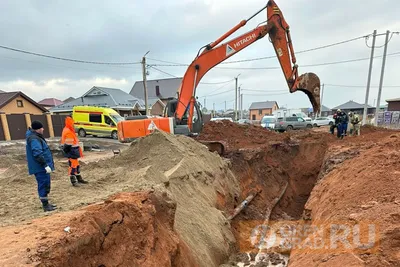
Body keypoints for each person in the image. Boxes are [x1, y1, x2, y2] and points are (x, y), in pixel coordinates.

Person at [25, 120, 57, 212]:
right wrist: (45, 165)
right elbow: (37, 153)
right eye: (41, 128)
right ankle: (45, 206)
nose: (43, 129)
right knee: (43, 184)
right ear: (37, 129)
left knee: (45, 184)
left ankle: (46, 203)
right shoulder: (34, 139)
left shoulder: (35, 137)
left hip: (40, 167)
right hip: (40, 167)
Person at [61, 116, 87, 186]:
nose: (74, 125)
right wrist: (67, 152)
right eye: (72, 123)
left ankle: (79, 179)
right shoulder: (68, 131)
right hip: (72, 151)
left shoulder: (68, 130)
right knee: (73, 166)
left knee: (76, 165)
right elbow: (68, 144)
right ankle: (74, 181)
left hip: (73, 151)